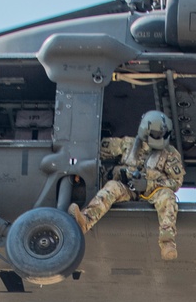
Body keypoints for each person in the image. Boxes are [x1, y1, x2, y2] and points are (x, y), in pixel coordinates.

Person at [70, 110, 184, 261]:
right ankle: (85, 221)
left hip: (153, 192)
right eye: (157, 134)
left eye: (164, 133)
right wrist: (79, 167)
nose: (161, 137)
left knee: (168, 197)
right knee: (111, 187)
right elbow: (97, 149)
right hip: (127, 189)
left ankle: (167, 243)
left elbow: (175, 182)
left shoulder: (170, 154)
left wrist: (148, 184)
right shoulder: (127, 145)